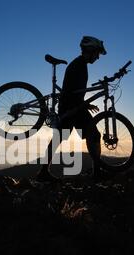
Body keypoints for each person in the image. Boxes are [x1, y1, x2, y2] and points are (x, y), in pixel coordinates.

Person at [36, 36, 107, 182]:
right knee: (93, 134)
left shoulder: (80, 64)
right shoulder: (79, 65)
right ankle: (97, 173)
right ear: (91, 50)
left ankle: (43, 172)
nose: (98, 57)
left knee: (61, 138)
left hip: (70, 106)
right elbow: (73, 91)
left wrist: (83, 104)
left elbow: (74, 90)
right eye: (98, 53)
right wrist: (83, 105)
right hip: (72, 107)